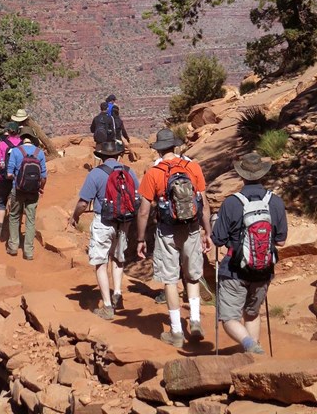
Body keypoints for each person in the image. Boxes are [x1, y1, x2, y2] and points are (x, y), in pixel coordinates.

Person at [136, 128, 213, 348]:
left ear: (159, 149)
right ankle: (196, 321)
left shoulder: (153, 172)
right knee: (192, 275)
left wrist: (141, 239)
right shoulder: (193, 167)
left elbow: (143, 210)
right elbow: (204, 204)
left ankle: (177, 332)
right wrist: (207, 232)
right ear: (175, 146)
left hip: (167, 230)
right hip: (191, 228)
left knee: (170, 280)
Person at [211, 153, 287, 354]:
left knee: (229, 318)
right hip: (263, 270)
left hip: (234, 270)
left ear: (241, 175)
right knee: (252, 314)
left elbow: (217, 240)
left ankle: (250, 345)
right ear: (262, 175)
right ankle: (255, 356)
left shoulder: (231, 203)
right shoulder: (276, 202)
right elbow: (281, 240)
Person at [68, 141, 140, 319]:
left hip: (103, 221)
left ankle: (107, 306)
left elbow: (84, 202)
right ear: (119, 155)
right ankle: (117, 292)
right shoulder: (129, 172)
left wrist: (74, 216)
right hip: (124, 221)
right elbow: (138, 196)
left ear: (101, 157)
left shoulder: (96, 173)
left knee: (100, 261)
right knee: (117, 257)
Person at [6, 128, 47, 260]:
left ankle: (13, 246)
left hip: (17, 190)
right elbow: (44, 175)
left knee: (14, 216)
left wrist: (17, 180)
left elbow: (9, 173)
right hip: (34, 191)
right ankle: (28, 251)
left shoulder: (16, 151)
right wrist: (41, 188)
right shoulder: (39, 153)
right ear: (33, 138)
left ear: (22, 138)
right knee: (30, 220)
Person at [0, 122, 22, 239]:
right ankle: (16, 229)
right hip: (18, 177)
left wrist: (5, 167)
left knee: (1, 201)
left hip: (4, 177)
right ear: (18, 132)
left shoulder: (2, 144)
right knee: (18, 202)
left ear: (8, 132)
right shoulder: (22, 145)